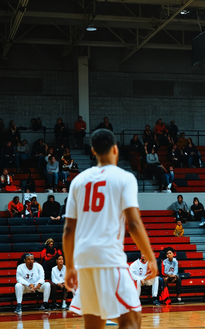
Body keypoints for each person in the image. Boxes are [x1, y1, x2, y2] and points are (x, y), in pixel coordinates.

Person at [62, 129, 157, 328]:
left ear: (92, 151)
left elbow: (69, 230)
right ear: (115, 149)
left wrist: (70, 266)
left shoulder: (78, 181)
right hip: (108, 257)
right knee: (132, 320)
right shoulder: (124, 178)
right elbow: (133, 223)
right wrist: (150, 257)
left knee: (94, 324)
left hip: (83, 261)